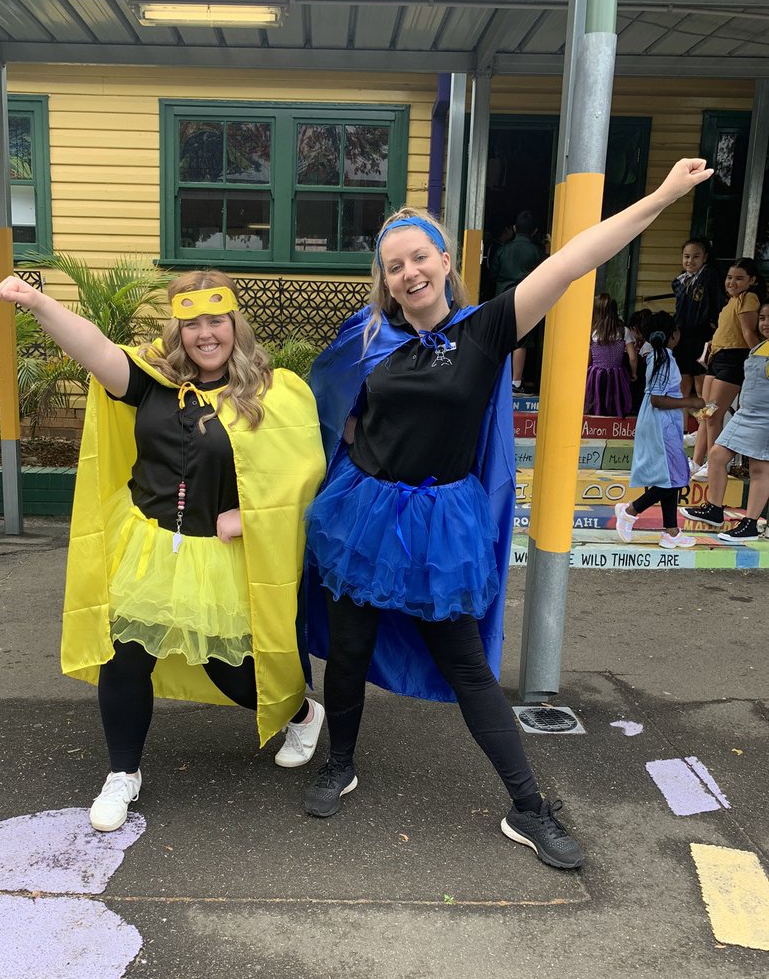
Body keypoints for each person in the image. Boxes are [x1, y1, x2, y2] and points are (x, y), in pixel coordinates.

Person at [303, 157, 713, 871]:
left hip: (437, 528)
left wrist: (663, 196)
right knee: (347, 649)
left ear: (442, 262)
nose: (408, 273)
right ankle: (341, 761)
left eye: (418, 257)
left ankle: (528, 808)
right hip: (363, 516)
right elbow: (325, 417)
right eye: (394, 265)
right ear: (385, 279)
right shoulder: (368, 340)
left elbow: (579, 255)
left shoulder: (486, 329)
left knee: (467, 667)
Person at [0, 269, 327, 831]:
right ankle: (123, 773)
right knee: (124, 658)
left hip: (220, 558)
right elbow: (95, 348)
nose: (205, 334)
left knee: (236, 675)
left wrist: (251, 516)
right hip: (148, 545)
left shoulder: (275, 391)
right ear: (178, 329)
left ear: (234, 323)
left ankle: (300, 710)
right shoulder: (151, 380)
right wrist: (35, 302)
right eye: (191, 322)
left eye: (215, 320)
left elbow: (304, 474)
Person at [614, 312, 704, 549]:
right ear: (673, 335)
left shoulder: (662, 356)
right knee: (671, 478)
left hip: (665, 423)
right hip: (660, 424)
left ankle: (671, 531)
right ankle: (630, 511)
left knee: (673, 476)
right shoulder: (663, 359)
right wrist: (690, 402)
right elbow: (657, 399)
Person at [685, 300, 769, 541]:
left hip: (765, 418)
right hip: (746, 414)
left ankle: (751, 524)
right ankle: (713, 509)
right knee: (717, 455)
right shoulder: (759, 347)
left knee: (760, 469)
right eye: (762, 318)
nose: (765, 323)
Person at [690, 258, 764, 478]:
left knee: (713, 415)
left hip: (735, 359)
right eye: (730, 277)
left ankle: (714, 464)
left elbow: (748, 333)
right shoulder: (731, 301)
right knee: (706, 413)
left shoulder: (748, 298)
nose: (732, 282)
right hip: (717, 359)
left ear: (752, 280)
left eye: (740, 278)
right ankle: (696, 463)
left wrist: (758, 362)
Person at [490, 210, 543, 392]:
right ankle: (515, 382)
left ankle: (497, 379)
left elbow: (493, 274)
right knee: (521, 340)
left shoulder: (502, 250)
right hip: (527, 297)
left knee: (502, 337)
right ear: (535, 231)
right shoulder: (537, 251)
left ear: (514, 228)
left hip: (502, 297)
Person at [672, 237, 723, 399]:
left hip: (702, 335)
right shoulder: (680, 281)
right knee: (683, 385)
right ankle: (682, 425)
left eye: (696, 256)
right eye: (686, 256)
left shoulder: (709, 275)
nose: (690, 261)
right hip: (682, 336)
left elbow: (717, 305)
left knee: (701, 385)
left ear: (705, 257)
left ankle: (704, 423)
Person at [584, 293, 634, 417]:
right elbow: (632, 357)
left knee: (596, 399)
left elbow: (588, 357)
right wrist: (633, 373)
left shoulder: (592, 332)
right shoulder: (624, 331)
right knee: (615, 400)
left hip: (595, 374)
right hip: (617, 374)